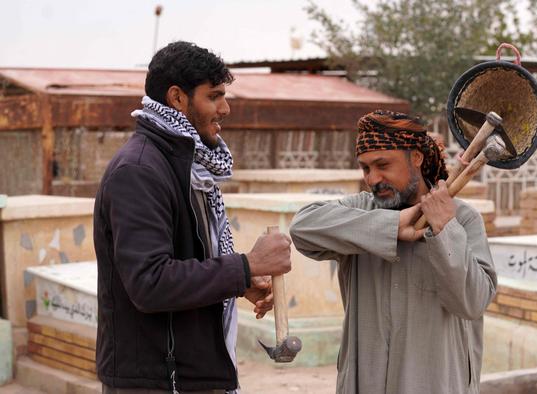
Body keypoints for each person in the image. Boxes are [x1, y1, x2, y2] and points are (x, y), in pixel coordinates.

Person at [93, 41, 292, 393]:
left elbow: (185, 259)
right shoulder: (140, 171)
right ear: (177, 98)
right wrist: (245, 265)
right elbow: (150, 283)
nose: (225, 108)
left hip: (185, 375)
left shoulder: (189, 166)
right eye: (213, 96)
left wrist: (240, 281)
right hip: (158, 381)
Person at [289, 110, 497, 394]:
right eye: (365, 168)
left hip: (436, 381)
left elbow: (473, 303)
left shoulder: (462, 219)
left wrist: (445, 229)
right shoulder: (360, 211)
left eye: (383, 164)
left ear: (416, 158)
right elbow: (302, 228)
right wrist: (392, 226)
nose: (373, 179)